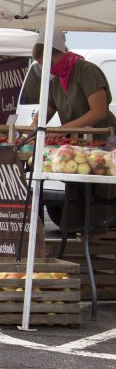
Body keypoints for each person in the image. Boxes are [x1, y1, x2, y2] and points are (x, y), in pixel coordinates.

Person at [31, 29, 116, 234]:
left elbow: (99, 111)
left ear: (59, 52)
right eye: (43, 65)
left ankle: (98, 234)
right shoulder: (55, 81)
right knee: (78, 189)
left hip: (104, 143)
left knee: (100, 191)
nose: (47, 69)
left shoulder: (86, 70)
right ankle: (82, 233)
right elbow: (45, 113)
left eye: (49, 63)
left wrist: (63, 129)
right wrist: (33, 129)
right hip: (81, 146)